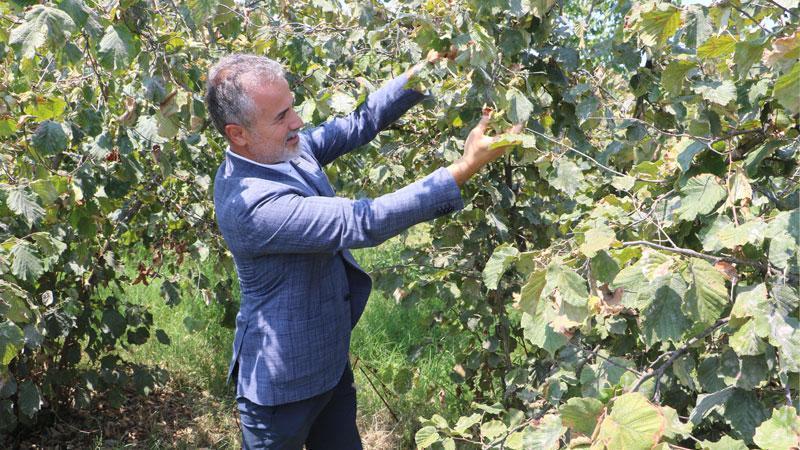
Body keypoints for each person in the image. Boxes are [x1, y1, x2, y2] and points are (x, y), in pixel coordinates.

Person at [206, 51, 520, 449]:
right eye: (281, 116)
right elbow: (363, 221)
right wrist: (465, 167)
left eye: (292, 107)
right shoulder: (250, 204)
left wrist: (426, 70)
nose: (297, 121)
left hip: (329, 365)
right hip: (281, 390)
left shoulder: (284, 148)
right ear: (238, 134)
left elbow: (359, 122)